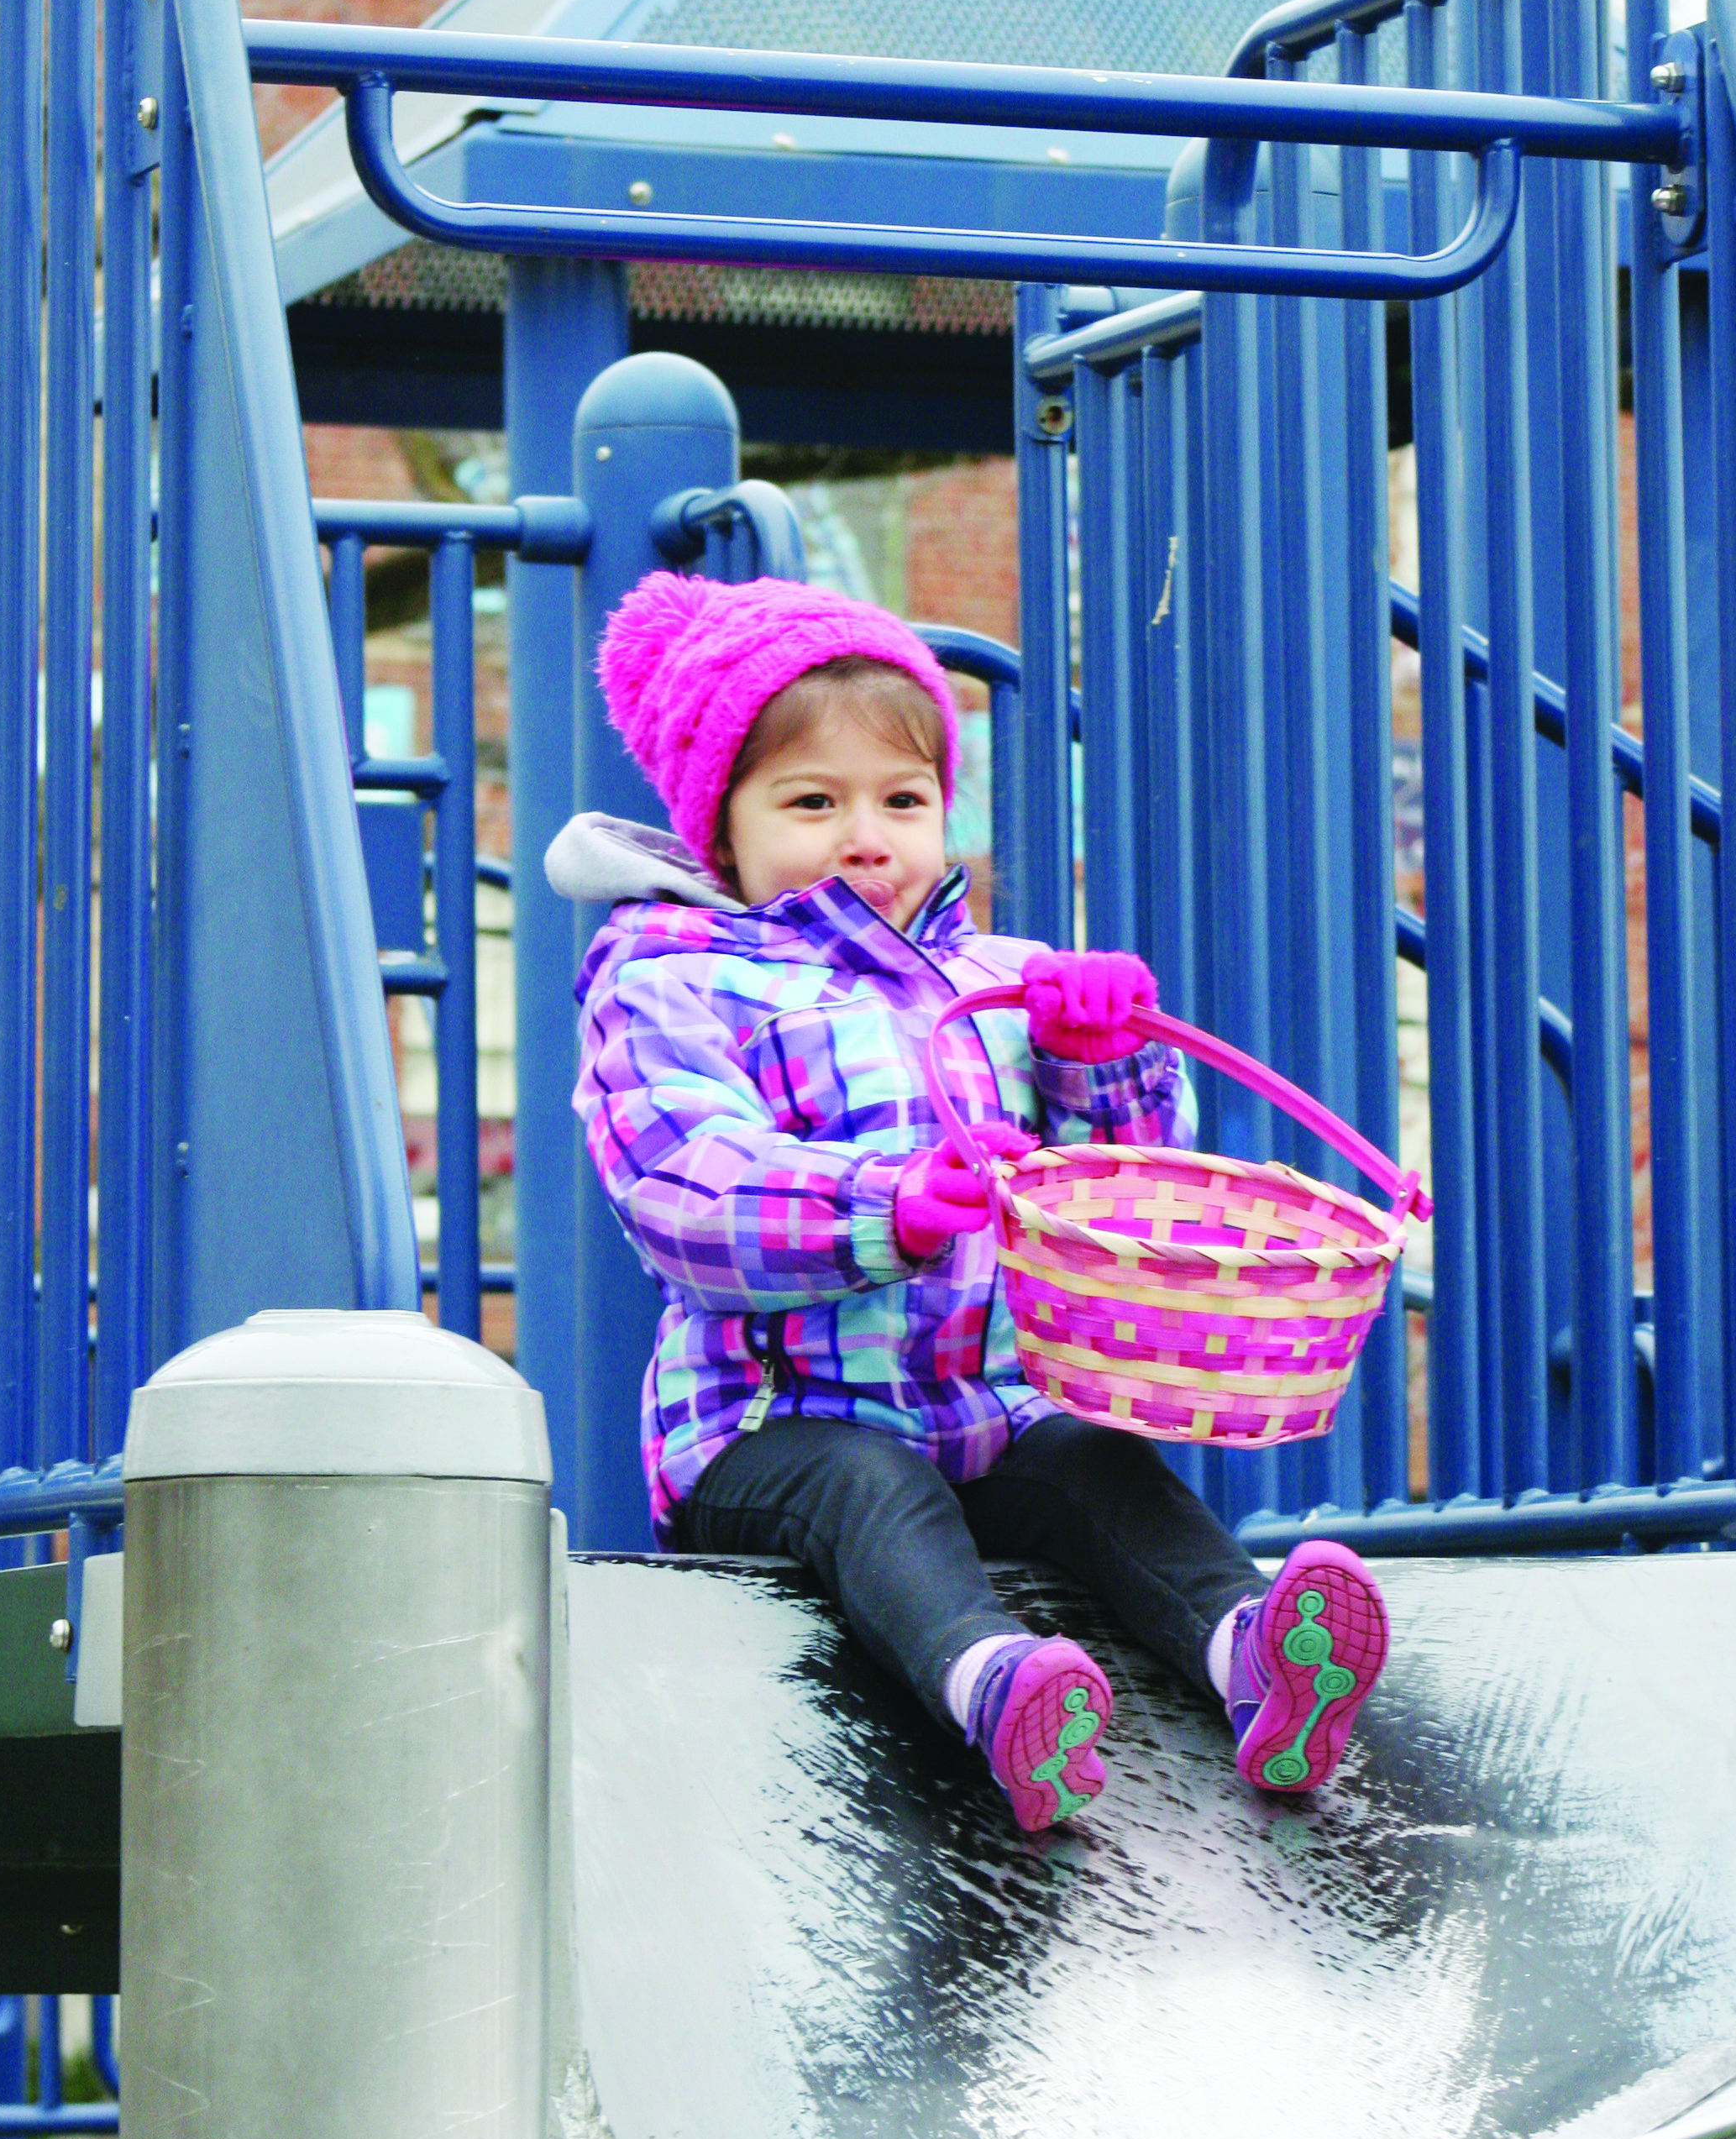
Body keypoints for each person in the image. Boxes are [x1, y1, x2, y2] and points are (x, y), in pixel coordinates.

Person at [547, 570, 1388, 1834]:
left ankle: (1254, 1655)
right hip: (773, 1427)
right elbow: (683, 1184)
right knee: (870, 1489)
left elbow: (1119, 1202)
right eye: (813, 802)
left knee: (1099, 1464)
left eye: (904, 799)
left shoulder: (997, 981)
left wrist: (1099, 1060)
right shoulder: (672, 977)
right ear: (721, 828)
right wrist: (885, 1205)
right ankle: (996, 1687)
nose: (867, 836)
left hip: (991, 1413)